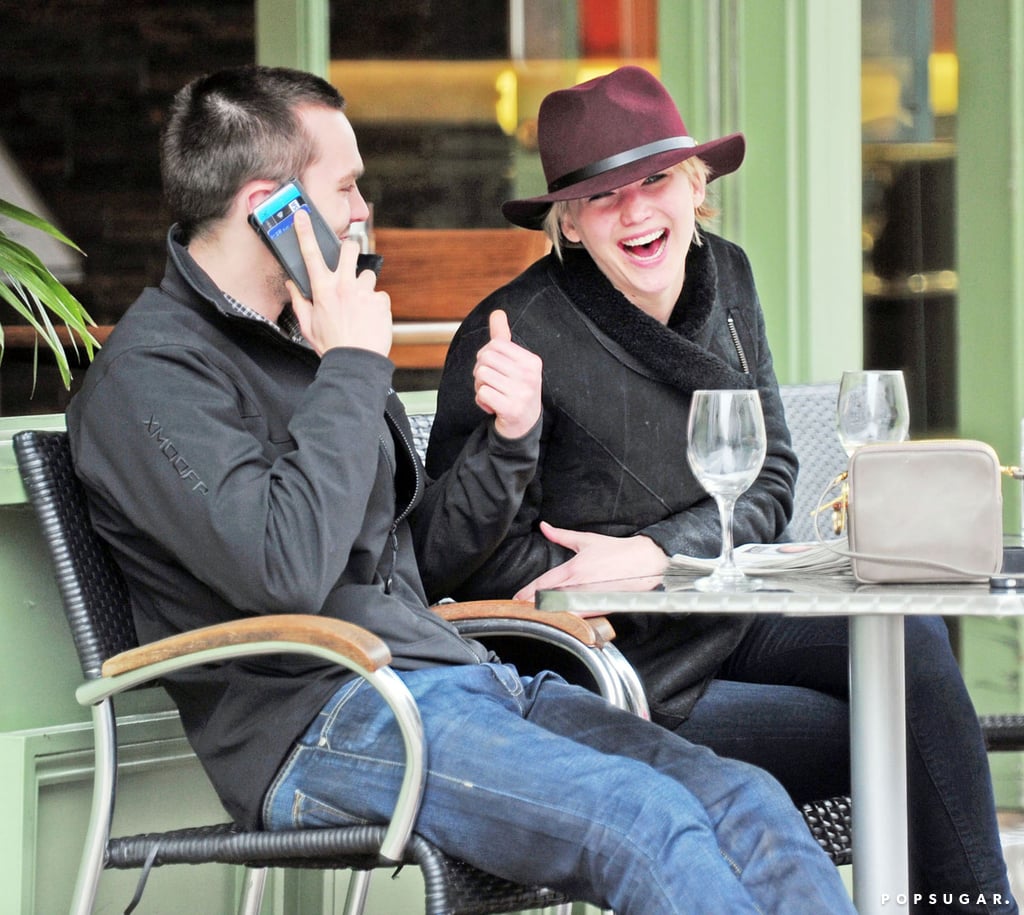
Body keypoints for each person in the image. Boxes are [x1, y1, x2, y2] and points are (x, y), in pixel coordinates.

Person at [64, 64, 856, 915]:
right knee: (644, 815)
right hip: (324, 718)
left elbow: (417, 552)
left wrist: (510, 443)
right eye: (348, 186)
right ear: (271, 206)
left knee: (745, 802)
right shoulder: (153, 375)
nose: (365, 210)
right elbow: (283, 567)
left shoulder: (303, 341)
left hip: (455, 676)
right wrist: (354, 364)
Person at [425, 66, 1018, 914]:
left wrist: (658, 551)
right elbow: (461, 561)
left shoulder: (726, 278)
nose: (636, 212)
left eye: (655, 180)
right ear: (568, 220)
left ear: (694, 185)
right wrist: (530, 469)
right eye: (603, 196)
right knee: (891, 732)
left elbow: (772, 474)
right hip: (622, 664)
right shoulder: (513, 333)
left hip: (727, 604)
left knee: (912, 647)